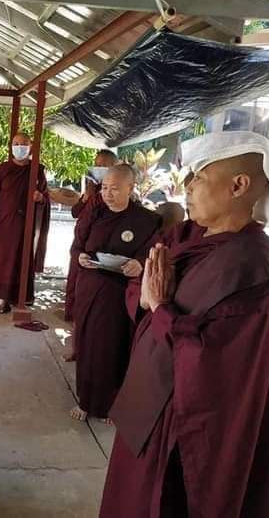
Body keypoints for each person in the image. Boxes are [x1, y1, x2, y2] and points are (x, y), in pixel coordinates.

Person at [101, 131, 269, 518]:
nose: (188, 186)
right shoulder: (189, 236)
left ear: (238, 185)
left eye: (199, 176)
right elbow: (143, 282)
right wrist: (149, 299)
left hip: (181, 434)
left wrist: (160, 307)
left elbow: (215, 373)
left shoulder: (257, 274)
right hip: (145, 411)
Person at [69, 164, 160, 422]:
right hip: (91, 286)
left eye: (115, 189)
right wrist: (80, 257)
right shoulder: (94, 213)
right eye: (105, 188)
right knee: (87, 345)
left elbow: (152, 251)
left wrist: (139, 263)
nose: (107, 194)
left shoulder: (145, 220)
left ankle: (111, 404)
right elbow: (77, 246)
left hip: (120, 293)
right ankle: (85, 400)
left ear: (130, 188)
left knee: (115, 347)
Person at [0, 132, 50, 314]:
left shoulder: (37, 170)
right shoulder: (3, 168)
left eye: (24, 144)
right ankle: (4, 300)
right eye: (16, 144)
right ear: (11, 146)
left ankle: (21, 297)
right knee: (4, 262)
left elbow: (45, 195)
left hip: (25, 226)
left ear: (30, 146)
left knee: (21, 261)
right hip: (4, 224)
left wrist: (40, 198)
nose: (20, 147)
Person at [64, 149, 118, 324]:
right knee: (74, 282)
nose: (99, 168)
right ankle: (73, 318)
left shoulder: (117, 191)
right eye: (97, 164)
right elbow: (75, 212)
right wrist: (85, 198)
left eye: (104, 165)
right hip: (80, 243)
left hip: (99, 245)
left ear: (114, 166)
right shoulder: (92, 187)